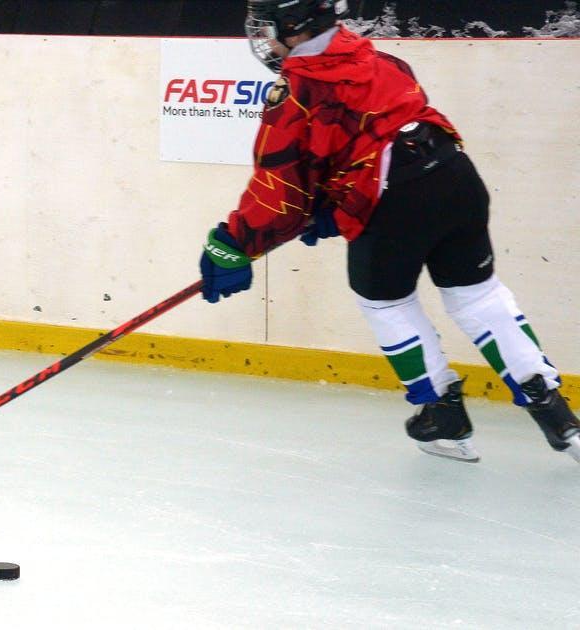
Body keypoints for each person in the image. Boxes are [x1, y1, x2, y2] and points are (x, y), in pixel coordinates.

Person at [198, 0, 580, 463]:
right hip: (455, 177)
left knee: (386, 301)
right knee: (478, 296)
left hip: (395, 203)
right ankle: (557, 415)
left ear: (295, 28)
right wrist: (335, 202)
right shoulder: (373, 57)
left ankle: (442, 411)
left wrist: (234, 244)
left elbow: (279, 192)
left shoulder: (299, 91)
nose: (265, 39)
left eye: (270, 27)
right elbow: (369, 138)